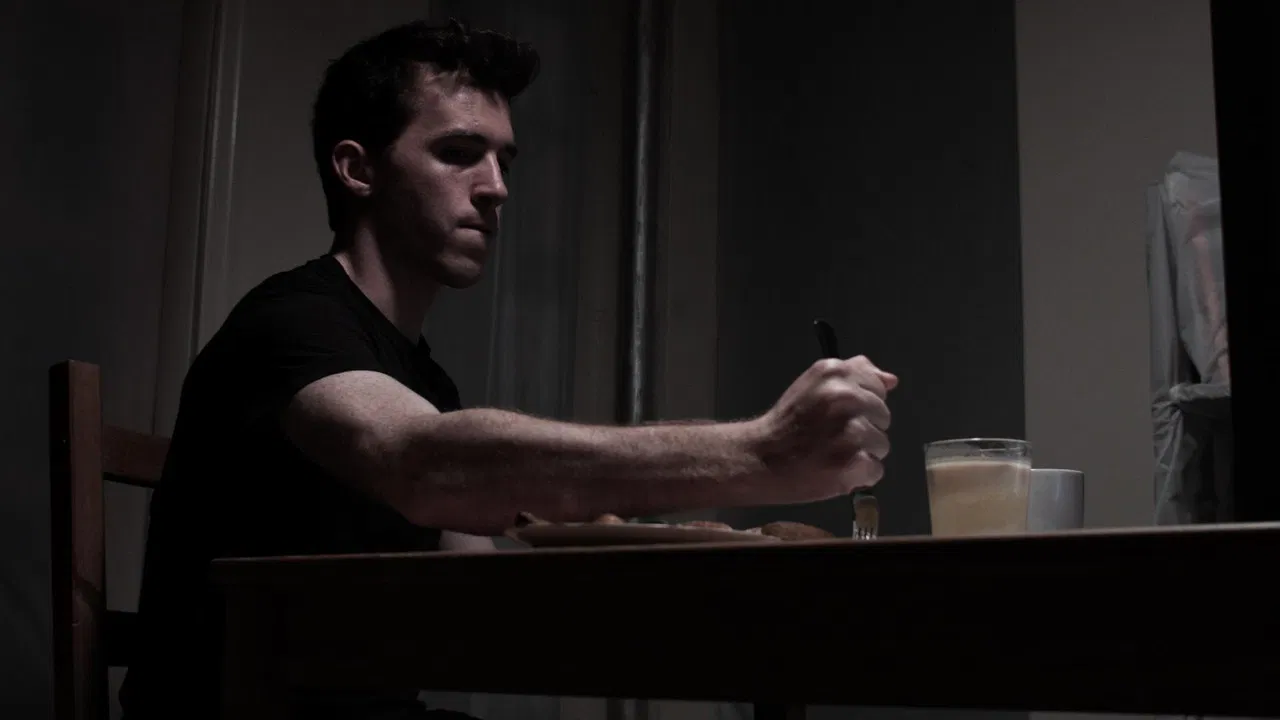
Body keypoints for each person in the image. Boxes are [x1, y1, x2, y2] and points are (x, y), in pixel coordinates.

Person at [119, 18, 897, 720]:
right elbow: (426, 465)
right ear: (358, 169)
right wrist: (763, 450)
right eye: (459, 154)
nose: (496, 188)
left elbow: (486, 597)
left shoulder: (424, 382)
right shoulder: (289, 322)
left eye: (503, 160)